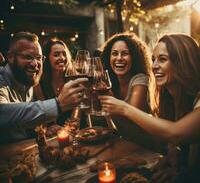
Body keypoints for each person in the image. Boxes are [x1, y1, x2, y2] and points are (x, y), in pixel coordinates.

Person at [100, 33, 200, 182]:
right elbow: (180, 146)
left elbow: (176, 132)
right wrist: (176, 160)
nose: (153, 66)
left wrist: (124, 108)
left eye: (163, 59)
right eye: (153, 59)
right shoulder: (169, 98)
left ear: (183, 62)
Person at [0, 31, 87, 144]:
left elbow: (24, 124)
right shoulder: (2, 78)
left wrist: (43, 129)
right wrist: (58, 104)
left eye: (39, 58)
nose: (35, 63)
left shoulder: (27, 82)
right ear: (10, 57)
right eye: (28, 57)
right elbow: (2, 113)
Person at [100, 32, 155, 147]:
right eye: (114, 54)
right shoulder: (110, 81)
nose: (119, 58)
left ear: (134, 57)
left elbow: (130, 119)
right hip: (124, 144)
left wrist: (108, 96)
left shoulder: (141, 80)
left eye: (125, 54)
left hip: (147, 148)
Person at [33, 39, 75, 136]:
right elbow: (44, 116)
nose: (62, 58)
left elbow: (78, 111)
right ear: (47, 58)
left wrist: (69, 129)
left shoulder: (73, 80)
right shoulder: (39, 84)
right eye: (56, 55)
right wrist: (49, 126)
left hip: (74, 130)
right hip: (52, 135)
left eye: (64, 54)